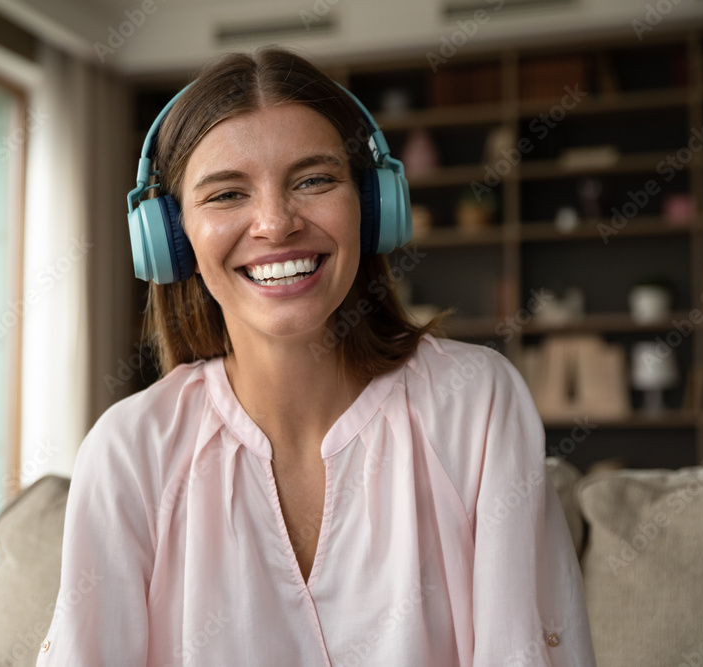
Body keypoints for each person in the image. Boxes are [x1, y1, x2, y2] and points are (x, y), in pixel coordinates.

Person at [36, 46, 596, 666]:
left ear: (372, 205)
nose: (276, 224)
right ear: (172, 239)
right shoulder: (128, 451)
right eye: (226, 195)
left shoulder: (477, 405)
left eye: (314, 180)